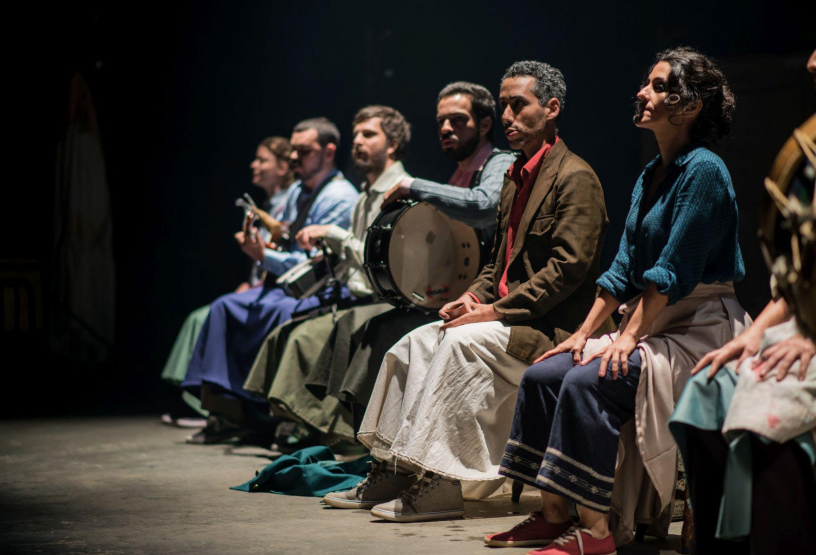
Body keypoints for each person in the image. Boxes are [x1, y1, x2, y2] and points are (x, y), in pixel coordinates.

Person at [484, 48, 747, 554]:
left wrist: (624, 339)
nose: (642, 92)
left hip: (698, 323)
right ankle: (553, 514)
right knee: (545, 373)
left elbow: (669, 274)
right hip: (652, 316)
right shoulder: (652, 174)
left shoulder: (704, 170)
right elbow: (624, 268)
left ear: (688, 104)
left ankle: (597, 533)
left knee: (591, 380)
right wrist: (583, 335)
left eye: (657, 85)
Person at [324, 61, 612, 522]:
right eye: (504, 106)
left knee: (460, 345)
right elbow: (496, 263)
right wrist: (473, 297)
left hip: (550, 326)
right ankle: (395, 468)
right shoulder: (515, 177)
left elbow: (568, 271)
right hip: (506, 314)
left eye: (519, 105)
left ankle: (442, 482)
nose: (507, 116)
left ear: (552, 108)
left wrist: (493, 311)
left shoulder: (575, 177)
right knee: (410, 343)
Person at [669, 2, 816, 553]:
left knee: (765, 406)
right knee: (706, 390)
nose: (811, 64)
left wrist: (815, 334)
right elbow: (799, 275)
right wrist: (756, 331)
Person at [272, 81, 517, 448]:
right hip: (453, 294)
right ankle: (355, 438)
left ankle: (377, 445)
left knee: (377, 328)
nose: (446, 129)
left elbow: (482, 206)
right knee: (363, 326)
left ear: (484, 124)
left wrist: (413, 186)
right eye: (441, 123)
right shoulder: (456, 176)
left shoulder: (499, 162)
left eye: (457, 120)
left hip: (483, 297)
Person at [240, 105, 413, 449]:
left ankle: (331, 431)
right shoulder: (365, 194)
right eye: (357, 135)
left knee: (307, 335)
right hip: (355, 293)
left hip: (383, 300)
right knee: (291, 331)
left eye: (369, 135)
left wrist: (332, 235)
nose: (358, 142)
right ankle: (297, 423)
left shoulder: (400, 191)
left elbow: (386, 260)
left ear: (392, 144)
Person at [181, 118, 359, 444]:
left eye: (303, 151)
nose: (294, 158)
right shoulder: (296, 193)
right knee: (223, 307)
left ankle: (282, 416)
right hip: (287, 283)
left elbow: (316, 265)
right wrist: (264, 249)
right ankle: (228, 411)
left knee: (282, 315)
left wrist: (265, 255)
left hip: (321, 286)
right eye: (292, 151)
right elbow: (286, 241)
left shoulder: (340, 197)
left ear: (329, 152)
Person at [159, 136, 295, 426]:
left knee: (214, 313)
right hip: (264, 284)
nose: (254, 165)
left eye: (262, 160)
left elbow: (283, 253)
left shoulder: (292, 202)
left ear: (283, 167)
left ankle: (216, 405)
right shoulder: (269, 203)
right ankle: (205, 400)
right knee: (204, 315)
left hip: (282, 287)